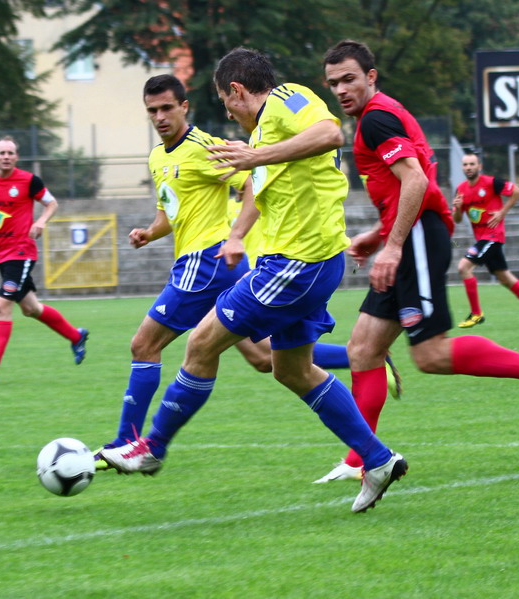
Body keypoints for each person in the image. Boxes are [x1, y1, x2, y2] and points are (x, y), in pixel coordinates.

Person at [100, 48, 407, 514]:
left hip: (297, 266)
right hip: (298, 265)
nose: (228, 113)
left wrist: (256, 156)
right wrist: (240, 231)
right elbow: (259, 194)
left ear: (238, 91)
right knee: (290, 369)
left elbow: (330, 133)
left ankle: (151, 447)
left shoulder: (287, 99)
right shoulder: (261, 135)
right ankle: (378, 460)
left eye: (227, 103)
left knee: (201, 344)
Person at [319, 39, 519, 484]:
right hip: (415, 233)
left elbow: (416, 182)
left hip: (418, 236)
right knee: (363, 349)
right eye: (333, 83)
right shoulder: (382, 114)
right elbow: (416, 181)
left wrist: (395, 244)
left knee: (431, 355)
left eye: (349, 79)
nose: (341, 89)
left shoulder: (377, 120)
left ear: (371, 77)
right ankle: (361, 459)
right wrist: (379, 235)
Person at [0, 136, 88, 385]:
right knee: (31, 309)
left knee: (2, 306)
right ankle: (76, 336)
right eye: (2, 153)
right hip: (1, 254)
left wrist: (41, 221)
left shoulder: (29, 180)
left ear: (17, 156)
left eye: (11, 153)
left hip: (21, 253)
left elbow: (51, 203)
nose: (6, 157)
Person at [452, 152, 519, 328]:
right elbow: (457, 219)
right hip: (482, 238)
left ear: (479, 166)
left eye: (472, 164)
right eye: (465, 165)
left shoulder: (491, 183)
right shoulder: (460, 189)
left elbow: (517, 191)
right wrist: (457, 208)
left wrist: (502, 212)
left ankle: (476, 313)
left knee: (463, 266)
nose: (468, 167)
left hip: (492, 236)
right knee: (504, 278)